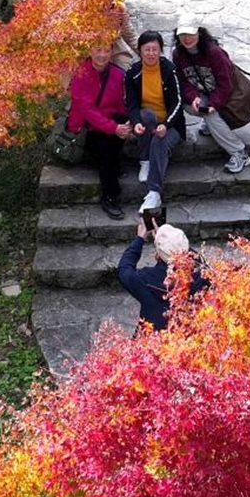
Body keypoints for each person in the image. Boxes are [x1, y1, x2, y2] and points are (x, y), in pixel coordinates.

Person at [172, 13, 250, 174]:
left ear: (199, 33)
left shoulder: (214, 53)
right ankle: (213, 125)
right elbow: (183, 81)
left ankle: (239, 152)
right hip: (203, 93)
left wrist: (214, 105)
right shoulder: (178, 54)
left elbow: (226, 84)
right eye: (182, 35)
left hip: (227, 95)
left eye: (190, 34)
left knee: (211, 115)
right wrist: (193, 97)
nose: (187, 38)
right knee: (191, 107)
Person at [124, 29, 185, 214]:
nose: (151, 53)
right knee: (147, 116)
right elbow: (132, 104)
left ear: (160, 51)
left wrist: (166, 125)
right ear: (140, 51)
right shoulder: (133, 72)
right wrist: (135, 122)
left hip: (171, 125)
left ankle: (154, 193)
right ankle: (145, 160)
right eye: (147, 49)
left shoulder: (169, 71)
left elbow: (178, 102)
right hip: (147, 120)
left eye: (155, 49)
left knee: (159, 141)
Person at [68, 44, 131, 219]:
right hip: (86, 129)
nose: (102, 55)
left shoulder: (117, 74)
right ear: (90, 51)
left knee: (117, 126)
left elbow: (120, 104)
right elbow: (87, 111)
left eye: (107, 50)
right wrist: (114, 128)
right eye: (98, 50)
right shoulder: (81, 74)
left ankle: (112, 163)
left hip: (108, 125)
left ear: (112, 52)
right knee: (105, 149)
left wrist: (127, 124)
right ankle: (110, 195)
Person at [117, 218, 209, 331]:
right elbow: (202, 263)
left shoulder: (146, 279)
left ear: (158, 254)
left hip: (152, 339)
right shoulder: (201, 274)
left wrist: (139, 238)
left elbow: (124, 270)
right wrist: (176, 245)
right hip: (188, 336)